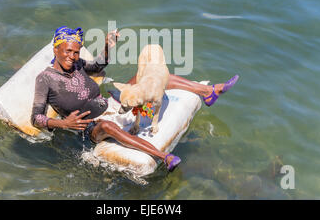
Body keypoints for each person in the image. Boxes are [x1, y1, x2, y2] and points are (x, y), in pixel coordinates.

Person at [31, 26, 238, 172]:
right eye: (68, 51)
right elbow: (36, 118)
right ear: (55, 49)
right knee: (108, 127)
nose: (73, 57)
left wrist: (107, 46)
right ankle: (163, 157)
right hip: (89, 127)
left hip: (111, 106)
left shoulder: (76, 64)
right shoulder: (45, 79)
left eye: (76, 52)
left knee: (153, 76)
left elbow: (96, 67)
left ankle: (208, 91)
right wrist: (63, 123)